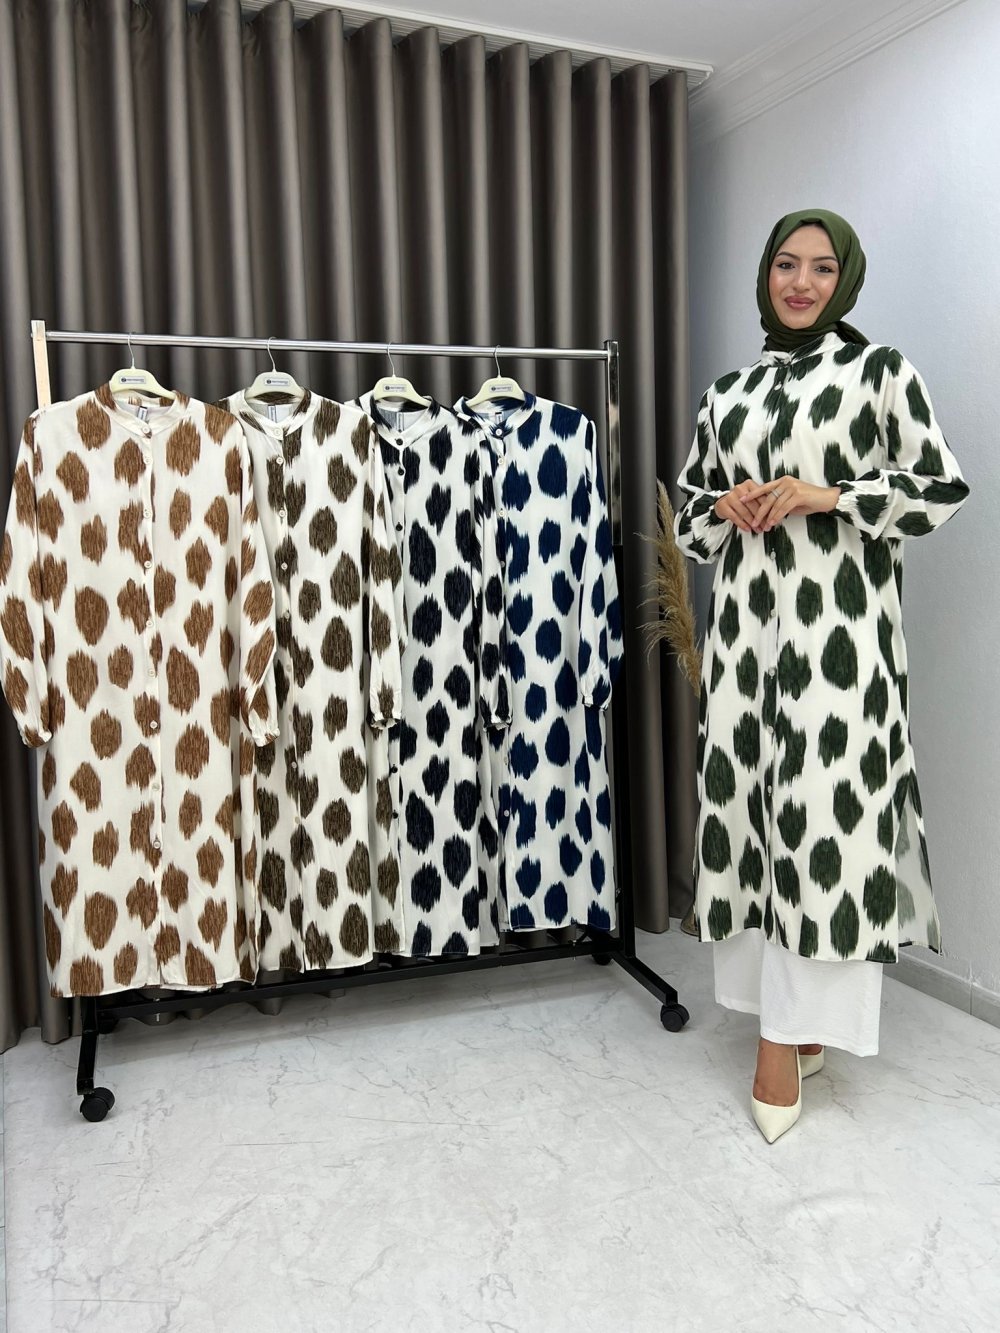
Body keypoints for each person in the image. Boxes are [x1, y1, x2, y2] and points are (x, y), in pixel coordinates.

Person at [673, 209, 970, 1142]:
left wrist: (828, 495)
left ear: (847, 280)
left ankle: (782, 1039)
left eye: (821, 267)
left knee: (823, 830)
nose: (800, 282)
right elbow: (687, 519)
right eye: (785, 264)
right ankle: (791, 1024)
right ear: (766, 275)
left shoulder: (880, 374)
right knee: (750, 824)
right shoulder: (728, 394)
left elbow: (939, 490)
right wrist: (722, 502)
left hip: (840, 649)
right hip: (743, 649)